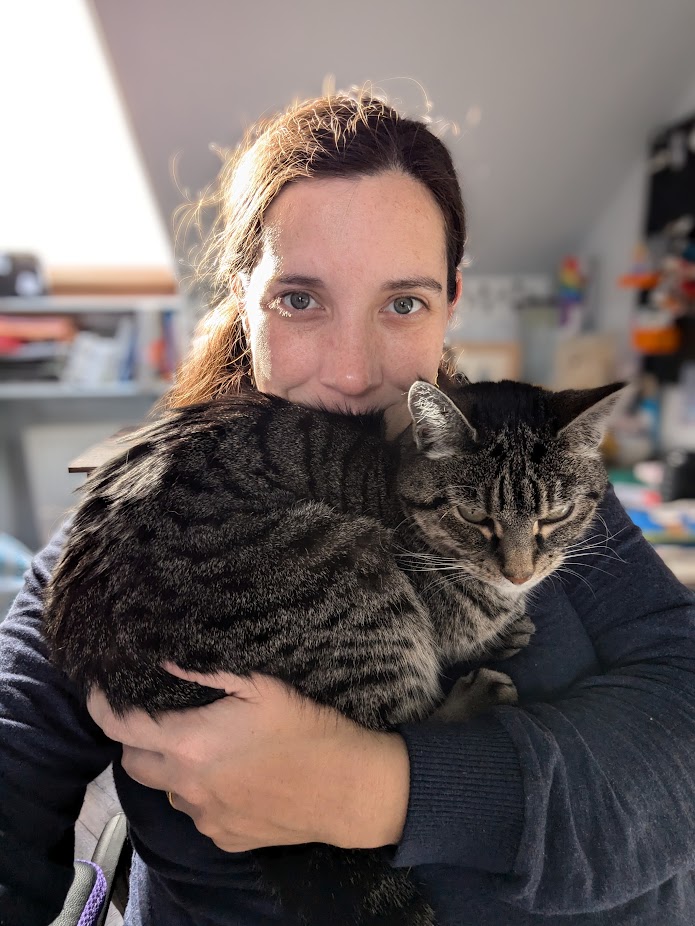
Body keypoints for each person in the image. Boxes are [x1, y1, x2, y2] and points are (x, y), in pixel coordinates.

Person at [2, 91, 695, 926]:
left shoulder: (539, 483)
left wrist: (381, 790)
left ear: (449, 302)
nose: (353, 375)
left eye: (402, 303)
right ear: (242, 297)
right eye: (300, 300)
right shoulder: (141, 517)